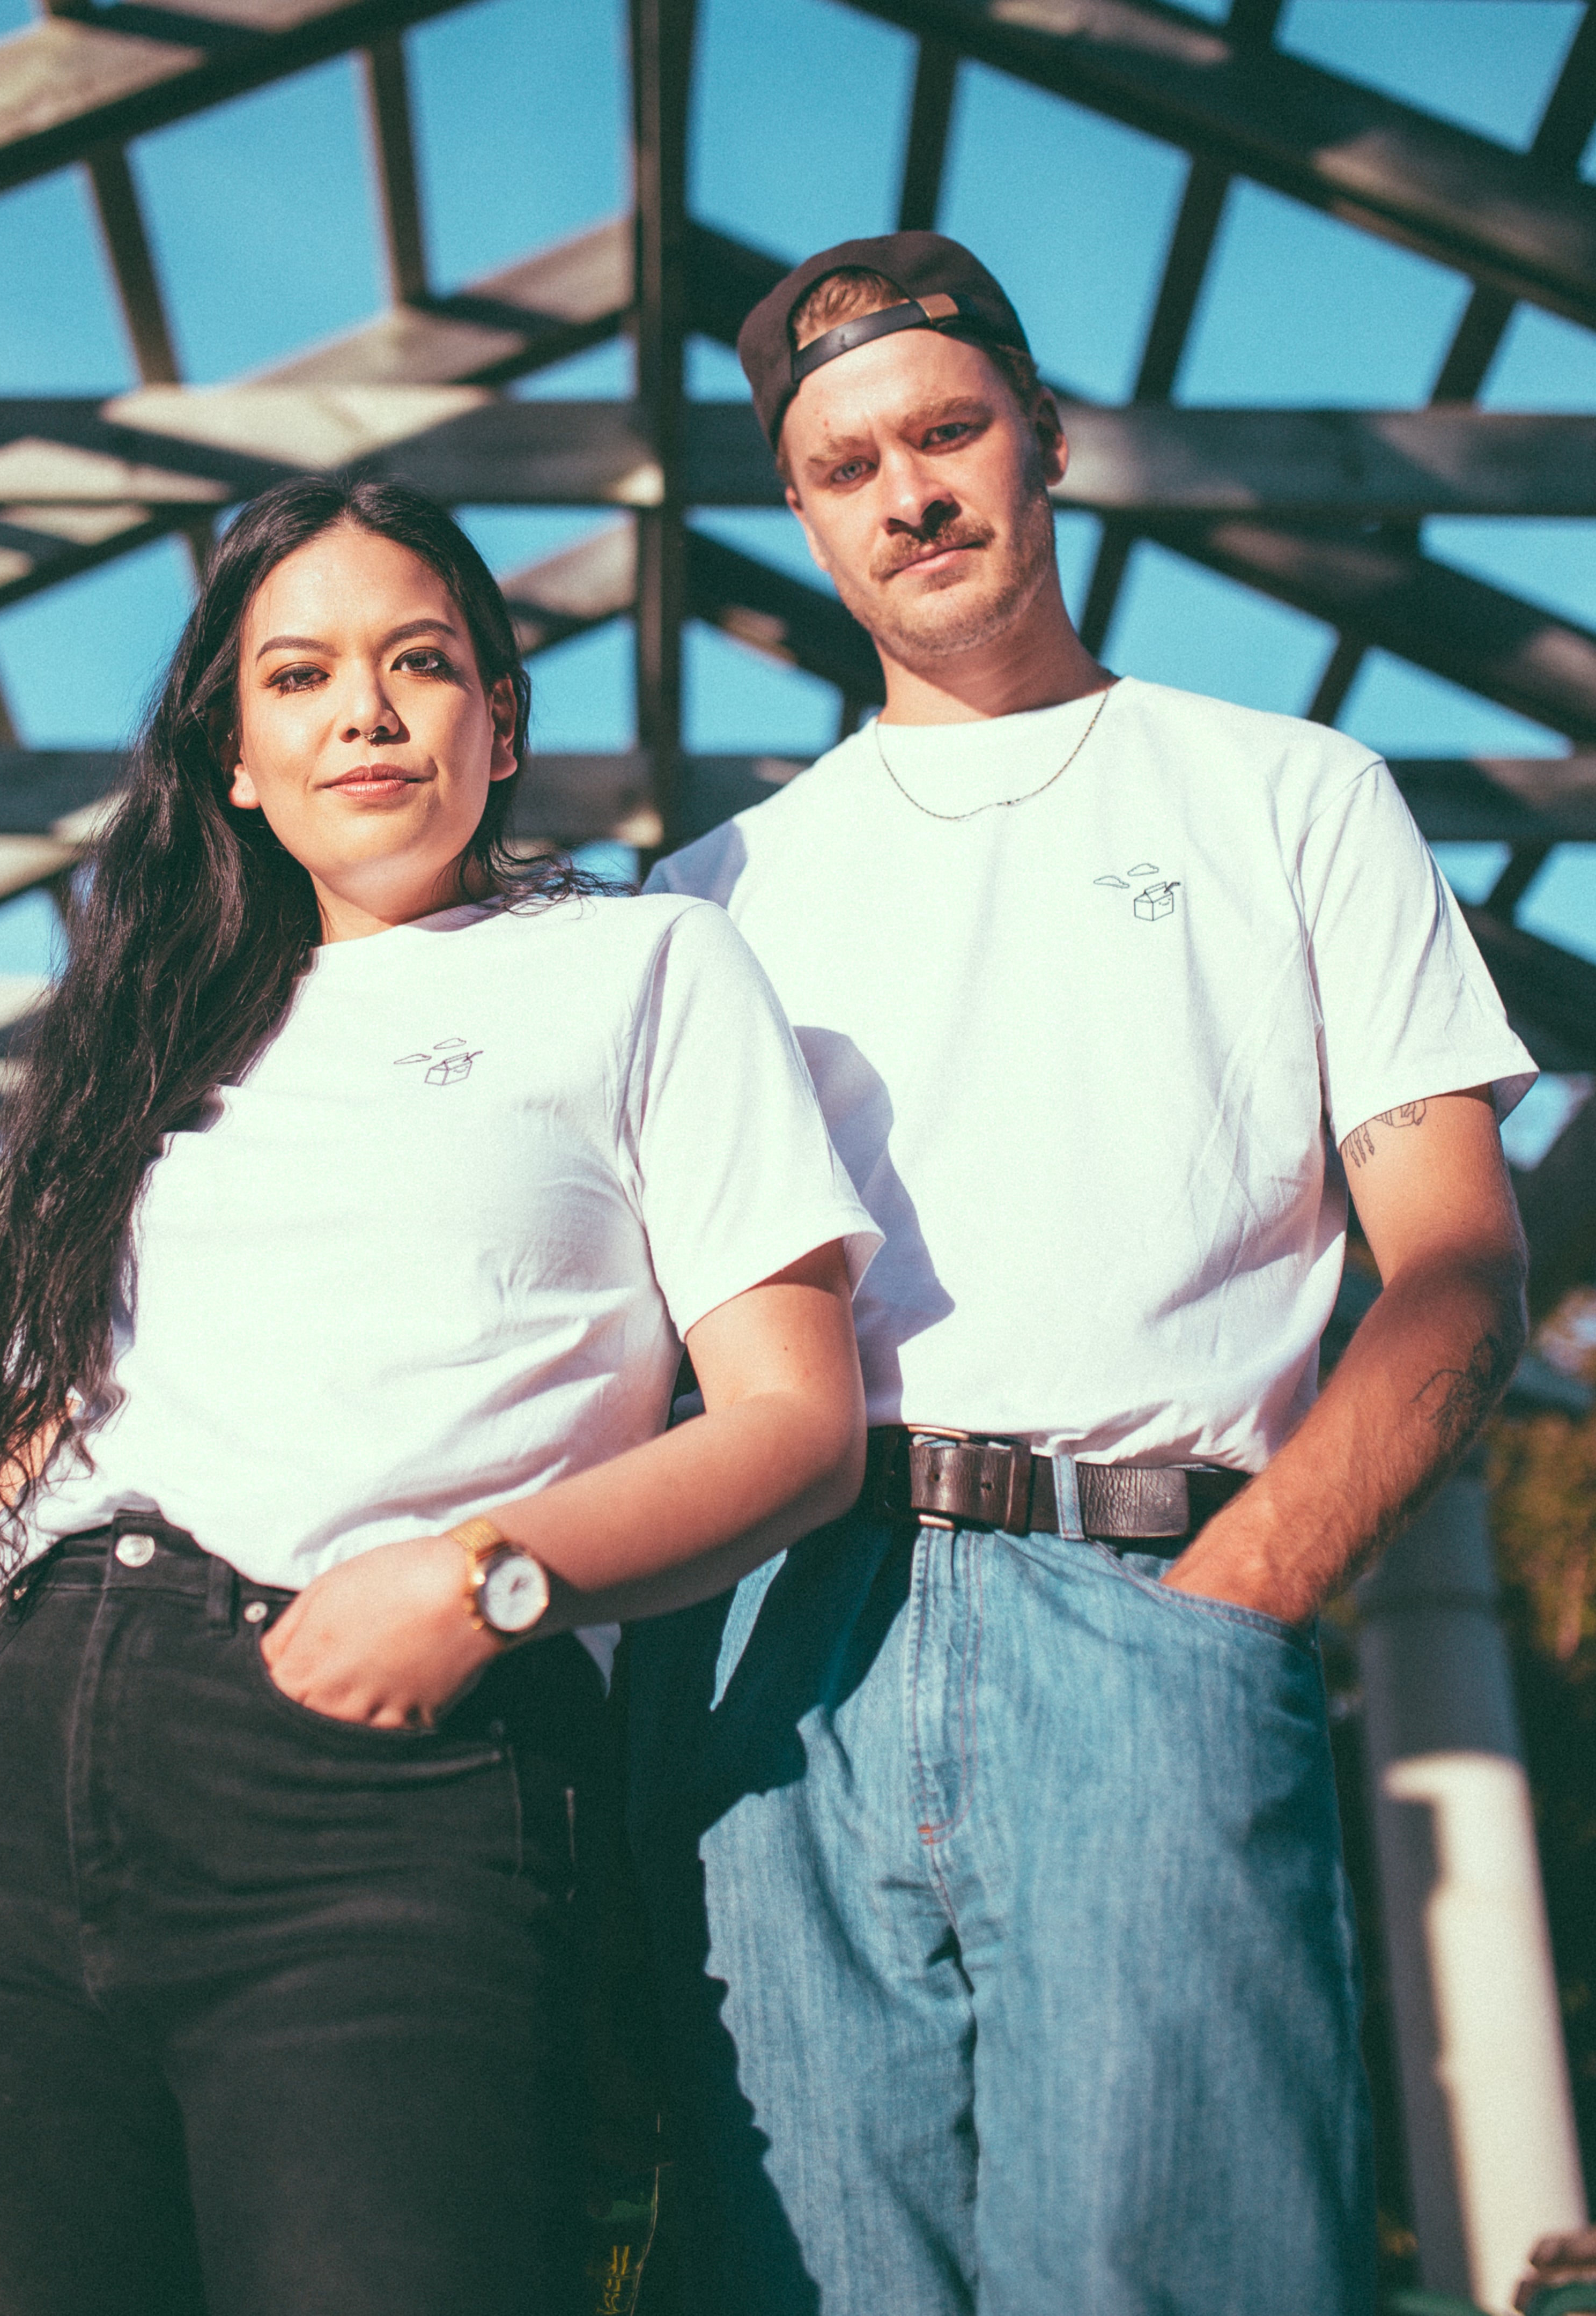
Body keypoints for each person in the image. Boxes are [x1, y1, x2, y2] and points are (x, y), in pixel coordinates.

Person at [0, 476, 877, 2316]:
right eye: (296, 677)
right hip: (28, 1802)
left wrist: (483, 1583)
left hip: (391, 1793)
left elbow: (797, 1427)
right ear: (233, 757)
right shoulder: (150, 1041)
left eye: (420, 663)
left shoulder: (641, 966)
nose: (362, 712)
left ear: (504, 719)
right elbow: (16, 1496)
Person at [630, 232, 1535, 2316]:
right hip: (790, 1648)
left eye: (950, 433)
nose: (911, 492)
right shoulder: (710, 899)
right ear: (806, 516)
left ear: (1047, 443)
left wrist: (1226, 1610)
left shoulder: (1292, 797)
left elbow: (1462, 1270)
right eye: (851, 465)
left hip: (1149, 1598)